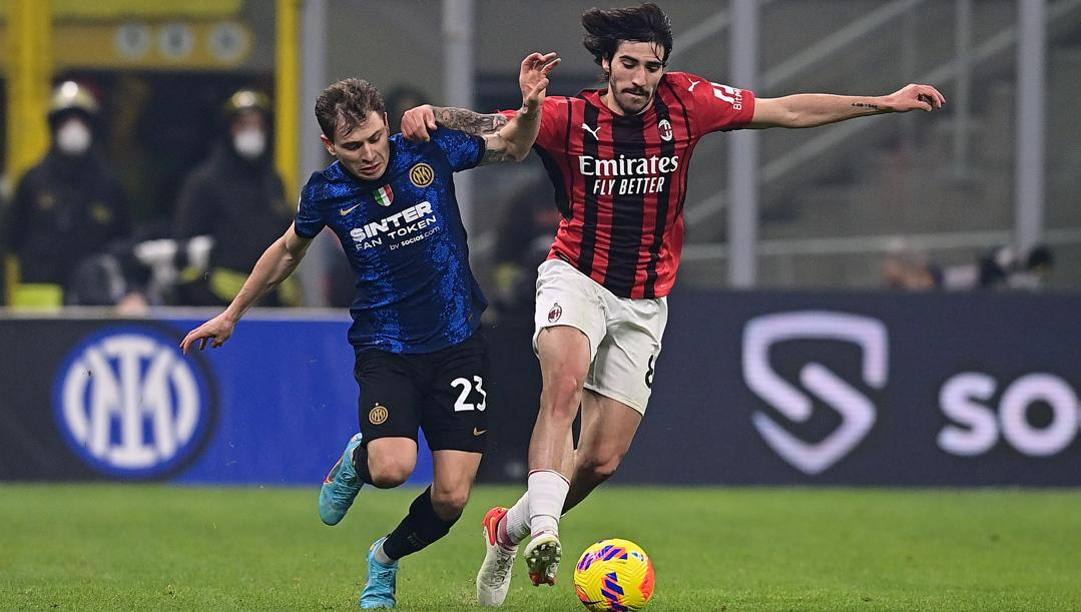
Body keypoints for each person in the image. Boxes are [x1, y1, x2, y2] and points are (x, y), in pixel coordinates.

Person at [401, 3, 946, 604]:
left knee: (601, 461)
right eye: (628, 64)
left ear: (664, 68)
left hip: (644, 298)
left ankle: (507, 529)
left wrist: (885, 102)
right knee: (564, 386)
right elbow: (496, 133)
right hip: (574, 275)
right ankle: (547, 533)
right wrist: (436, 114)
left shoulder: (688, 102)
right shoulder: (570, 116)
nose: (639, 78)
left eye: (651, 66)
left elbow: (785, 109)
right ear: (606, 63)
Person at [181, 51, 559, 609]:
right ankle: (361, 459)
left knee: (453, 498)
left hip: (458, 345)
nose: (369, 154)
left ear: (386, 122)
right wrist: (231, 313)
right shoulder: (326, 191)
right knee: (393, 468)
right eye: (353, 146)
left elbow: (514, 145)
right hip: (388, 349)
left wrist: (529, 106)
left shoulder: (426, 149)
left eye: (376, 138)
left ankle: (384, 558)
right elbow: (288, 251)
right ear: (331, 147)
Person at [4, 81, 131, 307]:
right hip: (38, 309)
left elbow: (123, 241)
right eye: (65, 120)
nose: (73, 128)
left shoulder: (108, 185)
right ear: (54, 126)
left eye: (80, 120)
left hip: (93, 302)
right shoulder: (33, 182)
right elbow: (11, 240)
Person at [173, 89, 298, 307]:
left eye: (257, 125)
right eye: (243, 125)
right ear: (229, 129)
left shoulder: (272, 179)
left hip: (272, 299)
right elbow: (186, 246)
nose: (252, 132)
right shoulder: (205, 181)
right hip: (220, 301)